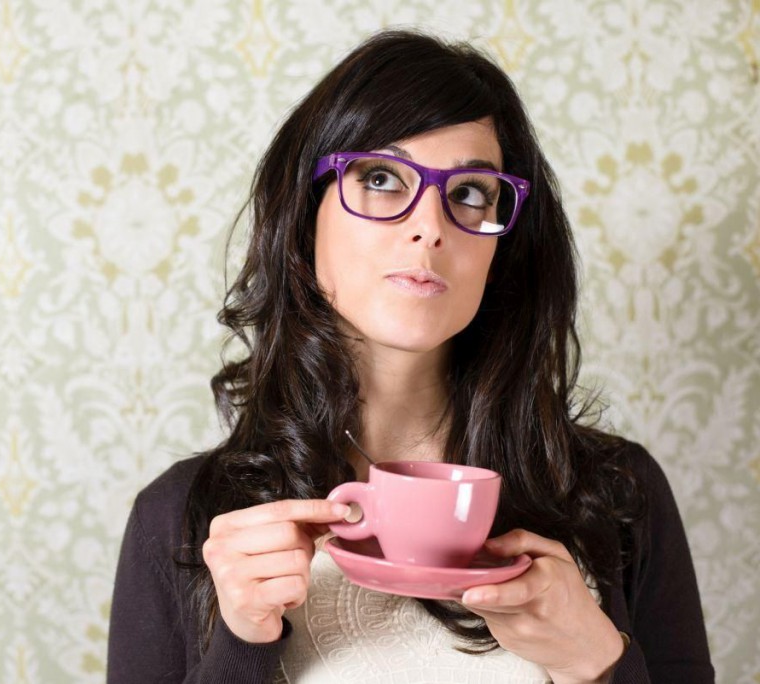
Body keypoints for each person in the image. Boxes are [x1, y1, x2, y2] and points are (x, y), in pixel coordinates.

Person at [106, 29, 714, 683]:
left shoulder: (619, 496)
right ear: (304, 221)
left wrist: (597, 660)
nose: (430, 224)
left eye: (472, 193)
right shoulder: (178, 519)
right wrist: (241, 643)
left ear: (500, 253)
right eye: (380, 178)